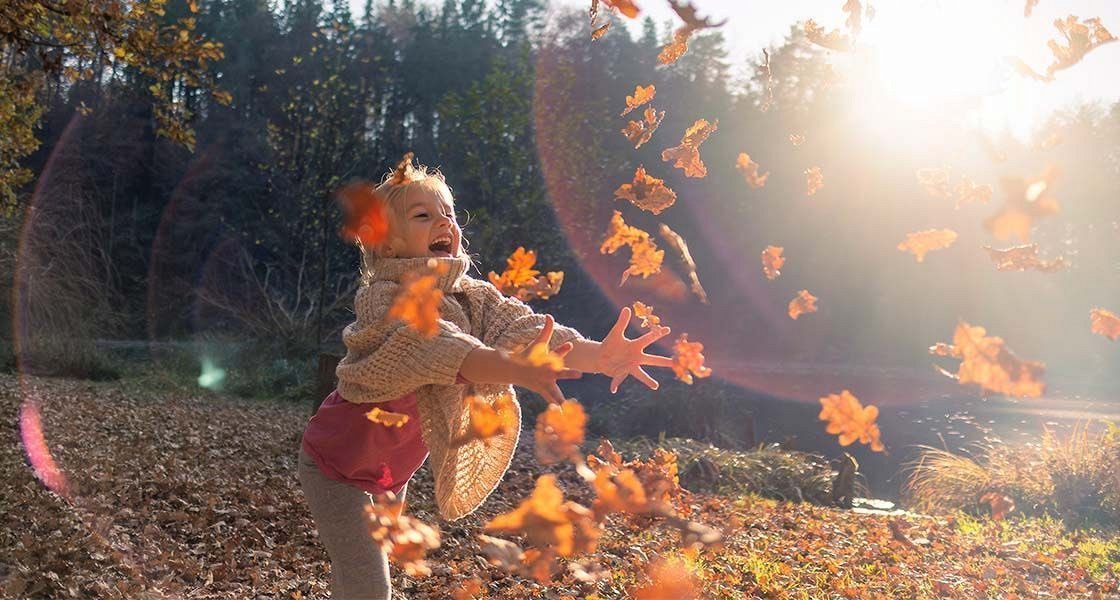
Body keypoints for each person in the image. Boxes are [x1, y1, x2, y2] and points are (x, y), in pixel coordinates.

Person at [297, 156, 673, 599]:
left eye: (449, 215)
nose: (444, 223)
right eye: (423, 215)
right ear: (387, 245)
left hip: (386, 474)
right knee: (368, 586)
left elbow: (529, 330)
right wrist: (511, 367)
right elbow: (440, 346)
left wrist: (600, 356)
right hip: (334, 468)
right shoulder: (384, 298)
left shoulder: (473, 296)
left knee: (354, 581)